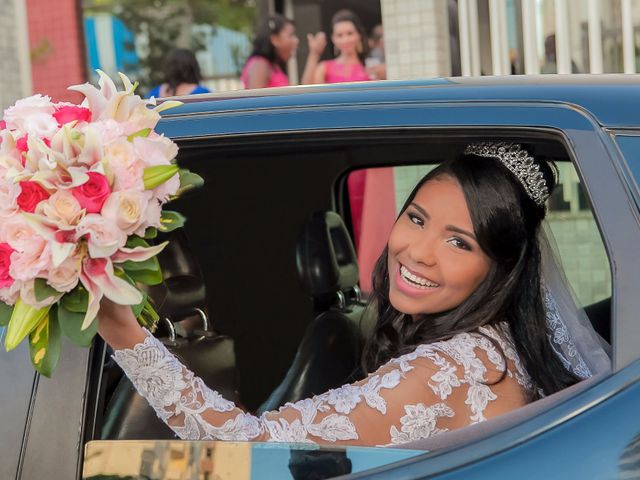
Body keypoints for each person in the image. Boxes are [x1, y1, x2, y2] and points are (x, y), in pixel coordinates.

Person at [98, 142, 610, 446]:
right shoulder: (498, 343)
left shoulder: (447, 372)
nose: (418, 252)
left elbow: (241, 447)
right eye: (417, 219)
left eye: (459, 241)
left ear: (500, 268)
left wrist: (122, 329)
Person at [241, 14, 327, 89]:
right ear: (275, 40)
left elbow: (304, 95)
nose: (296, 40)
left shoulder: (271, 66)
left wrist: (314, 54)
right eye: (291, 35)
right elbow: (256, 104)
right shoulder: (260, 65)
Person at [302, 10, 371, 85]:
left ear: (359, 35)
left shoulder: (371, 68)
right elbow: (307, 91)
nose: (345, 40)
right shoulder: (325, 68)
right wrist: (314, 54)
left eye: (350, 33)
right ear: (333, 39)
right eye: (339, 35)